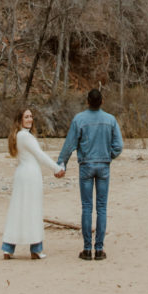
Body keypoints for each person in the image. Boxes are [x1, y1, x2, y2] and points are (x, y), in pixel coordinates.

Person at [57, 88, 123, 260]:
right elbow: (119, 146)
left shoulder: (79, 119)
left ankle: (87, 249)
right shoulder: (110, 120)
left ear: (87, 101)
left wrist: (61, 163)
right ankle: (99, 249)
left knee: (87, 207)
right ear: (102, 102)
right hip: (103, 166)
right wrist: (108, 156)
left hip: (86, 165)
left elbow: (69, 145)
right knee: (101, 208)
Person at [1, 106, 64, 259]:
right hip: (30, 175)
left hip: (22, 174)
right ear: (20, 120)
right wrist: (56, 168)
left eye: (31, 116)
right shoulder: (25, 136)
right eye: (26, 117)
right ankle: (36, 248)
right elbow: (40, 155)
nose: (30, 119)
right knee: (33, 210)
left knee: (18, 209)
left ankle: (8, 248)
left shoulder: (19, 136)